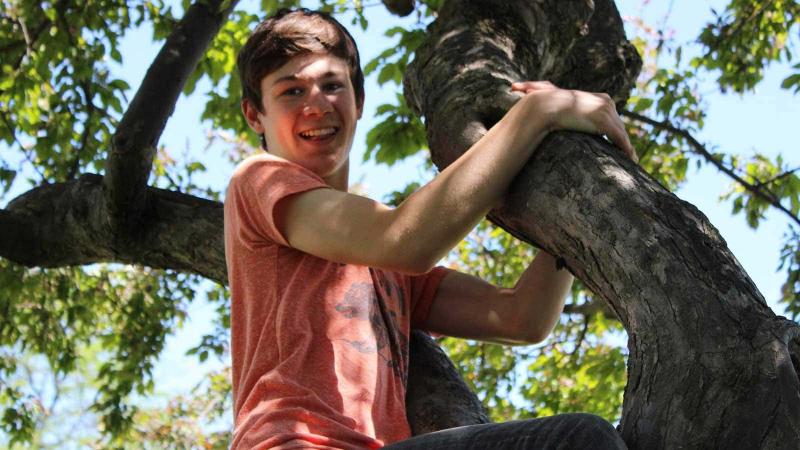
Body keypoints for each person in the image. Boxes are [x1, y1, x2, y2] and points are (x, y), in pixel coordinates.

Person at [224, 8, 636, 450]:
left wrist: (572, 205)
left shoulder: (383, 271)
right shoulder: (259, 180)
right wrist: (536, 115)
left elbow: (523, 317)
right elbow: (406, 238)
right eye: (290, 91)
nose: (316, 104)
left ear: (358, 102)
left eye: (332, 85)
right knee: (579, 441)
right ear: (254, 115)